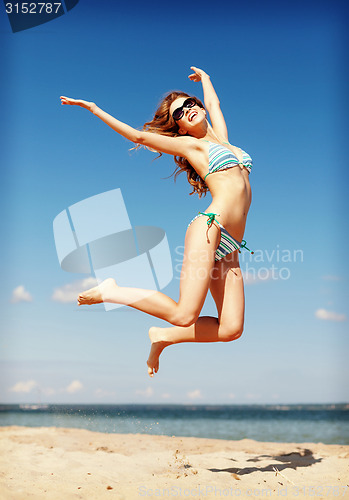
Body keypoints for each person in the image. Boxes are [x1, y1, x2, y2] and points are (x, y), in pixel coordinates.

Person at [60, 66, 253, 377]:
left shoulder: (223, 139)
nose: (187, 110)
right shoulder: (191, 146)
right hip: (210, 228)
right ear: (179, 128)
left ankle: (163, 337)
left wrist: (205, 81)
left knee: (231, 329)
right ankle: (112, 291)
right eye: (179, 113)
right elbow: (138, 135)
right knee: (183, 313)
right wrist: (93, 108)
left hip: (231, 244)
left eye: (190, 104)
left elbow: (215, 106)